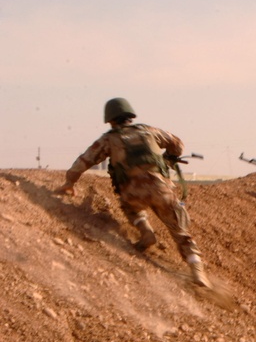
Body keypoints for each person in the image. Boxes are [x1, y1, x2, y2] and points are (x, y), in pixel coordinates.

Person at [56, 98, 211, 287]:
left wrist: (69, 182)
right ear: (130, 115)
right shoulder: (149, 131)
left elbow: (84, 161)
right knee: (180, 232)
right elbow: (177, 144)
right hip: (161, 188)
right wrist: (169, 157)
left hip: (133, 191)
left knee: (130, 207)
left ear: (110, 119)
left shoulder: (108, 139)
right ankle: (197, 270)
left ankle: (145, 230)